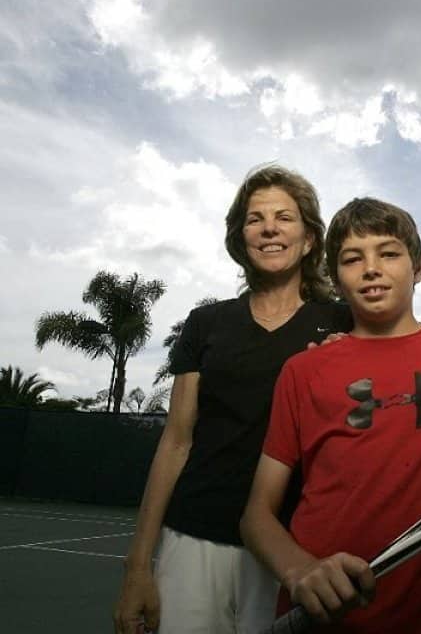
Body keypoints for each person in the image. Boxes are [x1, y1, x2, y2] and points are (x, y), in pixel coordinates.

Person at [240, 197, 421, 633]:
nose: (371, 268)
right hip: (321, 612)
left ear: (417, 267)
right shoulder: (303, 370)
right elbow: (256, 515)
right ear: (335, 277)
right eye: (352, 258)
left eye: (388, 253)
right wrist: (300, 570)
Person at [113, 165, 353, 634]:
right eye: (254, 218)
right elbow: (176, 442)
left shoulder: (342, 323)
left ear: (308, 239)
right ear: (240, 238)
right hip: (196, 536)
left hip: (296, 547)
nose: (268, 228)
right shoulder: (206, 323)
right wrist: (138, 565)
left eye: (284, 217)